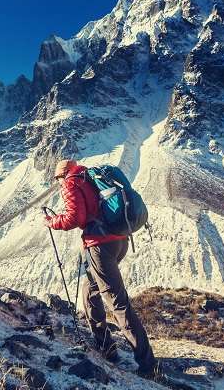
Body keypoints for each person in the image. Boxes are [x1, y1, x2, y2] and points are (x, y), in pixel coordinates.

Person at [44, 159, 157, 376]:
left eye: (58, 178)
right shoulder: (91, 178)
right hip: (119, 241)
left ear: (63, 174)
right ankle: (105, 346)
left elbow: (74, 218)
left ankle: (148, 365)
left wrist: (51, 222)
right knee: (90, 290)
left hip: (99, 246)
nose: (59, 182)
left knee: (118, 304)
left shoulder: (71, 183)